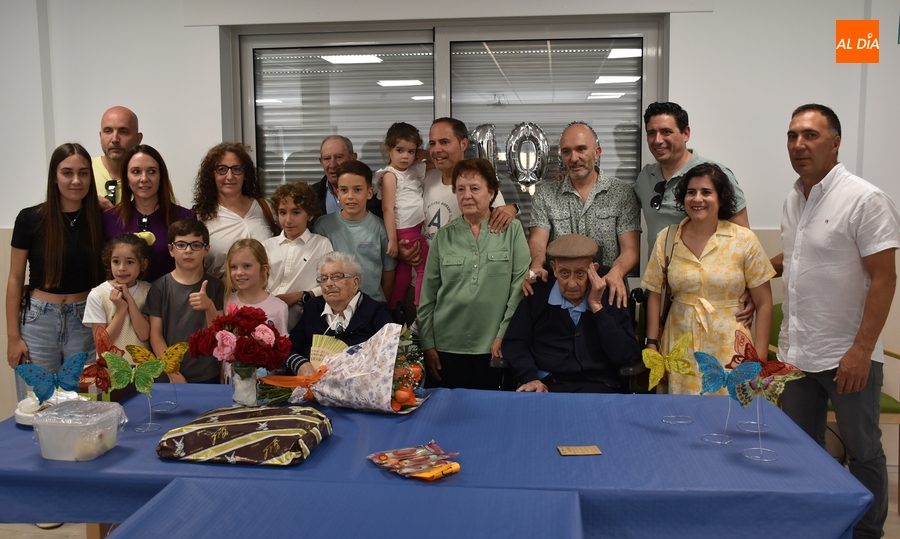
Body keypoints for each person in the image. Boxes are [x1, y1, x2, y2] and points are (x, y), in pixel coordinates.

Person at [773, 104, 898, 539]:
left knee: (863, 451)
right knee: (802, 451)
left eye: (810, 135)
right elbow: (798, 257)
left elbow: (885, 278)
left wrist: (862, 350)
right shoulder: (793, 198)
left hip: (846, 353)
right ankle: (816, 525)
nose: (799, 145)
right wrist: (752, 275)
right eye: (792, 136)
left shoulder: (865, 198)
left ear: (836, 142)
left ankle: (866, 533)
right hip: (796, 354)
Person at [640, 163, 774, 395]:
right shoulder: (667, 238)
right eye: (691, 192)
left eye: (706, 192)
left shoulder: (744, 240)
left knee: (730, 419)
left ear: (721, 198)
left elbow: (764, 303)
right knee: (682, 417)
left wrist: (759, 357)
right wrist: (652, 344)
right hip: (680, 345)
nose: (697, 198)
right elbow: (654, 293)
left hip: (731, 347)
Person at [418, 158, 530, 390]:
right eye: (460, 189)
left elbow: (519, 289)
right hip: (447, 347)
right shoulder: (444, 237)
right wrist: (428, 345)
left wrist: (502, 335)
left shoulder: (512, 231)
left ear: (491, 193)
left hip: (494, 345)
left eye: (475, 188)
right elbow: (427, 296)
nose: (467, 195)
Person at [7, 143, 105, 401]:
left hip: (85, 319)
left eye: (84, 173)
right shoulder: (30, 218)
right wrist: (12, 337)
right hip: (39, 321)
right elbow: (15, 278)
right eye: (67, 173)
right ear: (54, 177)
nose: (76, 180)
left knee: (83, 404)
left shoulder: (101, 218)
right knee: (37, 403)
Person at [524, 121, 641, 309]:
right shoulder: (545, 194)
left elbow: (631, 248)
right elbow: (538, 241)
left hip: (608, 293)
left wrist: (617, 272)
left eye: (581, 149)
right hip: (560, 297)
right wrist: (537, 264)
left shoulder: (622, 193)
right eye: (566, 152)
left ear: (597, 152)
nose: (574, 158)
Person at [503, 234, 639, 393]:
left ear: (593, 269)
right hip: (547, 384)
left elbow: (626, 354)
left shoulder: (610, 295)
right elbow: (515, 343)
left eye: (580, 273)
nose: (572, 283)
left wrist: (596, 307)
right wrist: (530, 377)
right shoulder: (538, 293)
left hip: (598, 385)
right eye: (564, 273)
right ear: (554, 268)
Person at [631, 102, 749, 253]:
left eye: (666, 132)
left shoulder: (716, 174)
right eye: (651, 133)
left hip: (705, 274)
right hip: (659, 274)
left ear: (686, 133)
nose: (657, 140)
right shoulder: (646, 176)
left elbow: (743, 238)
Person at [143, 218, 225, 383]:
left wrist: (209, 306)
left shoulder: (216, 286)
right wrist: (172, 372)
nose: (188, 251)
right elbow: (156, 335)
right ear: (171, 250)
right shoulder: (160, 287)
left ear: (206, 249)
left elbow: (221, 334)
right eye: (181, 245)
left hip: (207, 373)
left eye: (195, 245)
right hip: (169, 375)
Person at [285, 251, 393, 376]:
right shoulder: (313, 308)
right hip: (312, 389)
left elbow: (390, 357)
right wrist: (300, 364)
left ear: (355, 282)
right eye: (324, 278)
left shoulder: (376, 312)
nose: (329, 284)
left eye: (336, 277)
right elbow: (289, 347)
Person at [102, 145, 196, 282]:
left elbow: (194, 269)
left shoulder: (185, 218)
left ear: (161, 177)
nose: (144, 178)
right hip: (123, 301)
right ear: (126, 179)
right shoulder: (109, 219)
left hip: (171, 300)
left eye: (151, 171)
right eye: (136, 172)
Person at [314, 161, 397, 304]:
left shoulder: (381, 228)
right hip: (335, 306)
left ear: (369, 192)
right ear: (338, 193)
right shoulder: (323, 226)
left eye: (357, 190)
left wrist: (383, 307)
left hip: (373, 305)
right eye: (344, 190)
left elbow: (388, 274)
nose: (350, 196)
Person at [193, 142, 278, 277]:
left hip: (267, 292)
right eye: (222, 169)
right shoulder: (200, 217)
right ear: (212, 175)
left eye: (237, 169)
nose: (230, 176)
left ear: (245, 174)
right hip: (223, 294)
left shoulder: (264, 207)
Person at [264, 182, 333, 331]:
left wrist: (299, 296)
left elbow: (330, 283)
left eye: (296, 212)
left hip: (302, 321)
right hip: (266, 320)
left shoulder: (321, 244)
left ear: (309, 215)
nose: (288, 220)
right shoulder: (267, 246)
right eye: (282, 212)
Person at [374, 122, 428, 307]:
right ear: (388, 149)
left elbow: (435, 162)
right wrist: (391, 240)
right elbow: (387, 209)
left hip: (415, 228)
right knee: (424, 270)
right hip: (405, 230)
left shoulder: (412, 170)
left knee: (404, 275)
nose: (406, 156)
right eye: (400, 150)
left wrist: (424, 154)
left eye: (411, 151)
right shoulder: (390, 175)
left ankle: (395, 311)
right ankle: (420, 310)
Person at [82, 234, 152, 362]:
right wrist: (120, 310)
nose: (122, 268)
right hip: (110, 371)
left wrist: (129, 300)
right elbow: (102, 345)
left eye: (130, 262)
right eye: (116, 261)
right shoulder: (98, 294)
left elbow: (144, 335)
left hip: (143, 371)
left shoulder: (149, 291)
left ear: (143, 264)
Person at [311, 135, 382, 227]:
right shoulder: (310, 196)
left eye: (339, 157)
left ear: (353, 158)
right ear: (321, 161)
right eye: (327, 158)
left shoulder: (378, 195)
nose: (332, 165)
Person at [223, 238, 289, 336]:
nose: (239, 272)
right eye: (234, 267)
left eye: (246, 266)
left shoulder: (279, 307)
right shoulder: (226, 301)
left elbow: (282, 346)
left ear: (263, 269)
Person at [94, 106, 143, 210]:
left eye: (123, 131)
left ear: (138, 138)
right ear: (100, 136)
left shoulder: (150, 177)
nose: (115, 139)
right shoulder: (83, 172)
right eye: (108, 131)